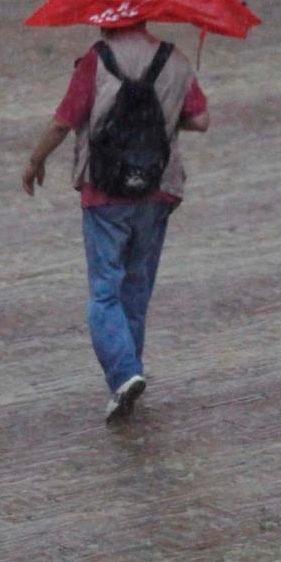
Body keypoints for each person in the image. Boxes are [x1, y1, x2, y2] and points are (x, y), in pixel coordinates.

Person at [21, 21, 210, 423]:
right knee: (136, 287)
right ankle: (129, 377)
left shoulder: (95, 61)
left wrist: (35, 160)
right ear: (144, 19)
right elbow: (201, 120)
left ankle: (124, 375)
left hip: (105, 192)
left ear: (106, 21)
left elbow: (63, 122)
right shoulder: (175, 59)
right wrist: (165, 106)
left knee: (104, 292)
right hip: (158, 189)